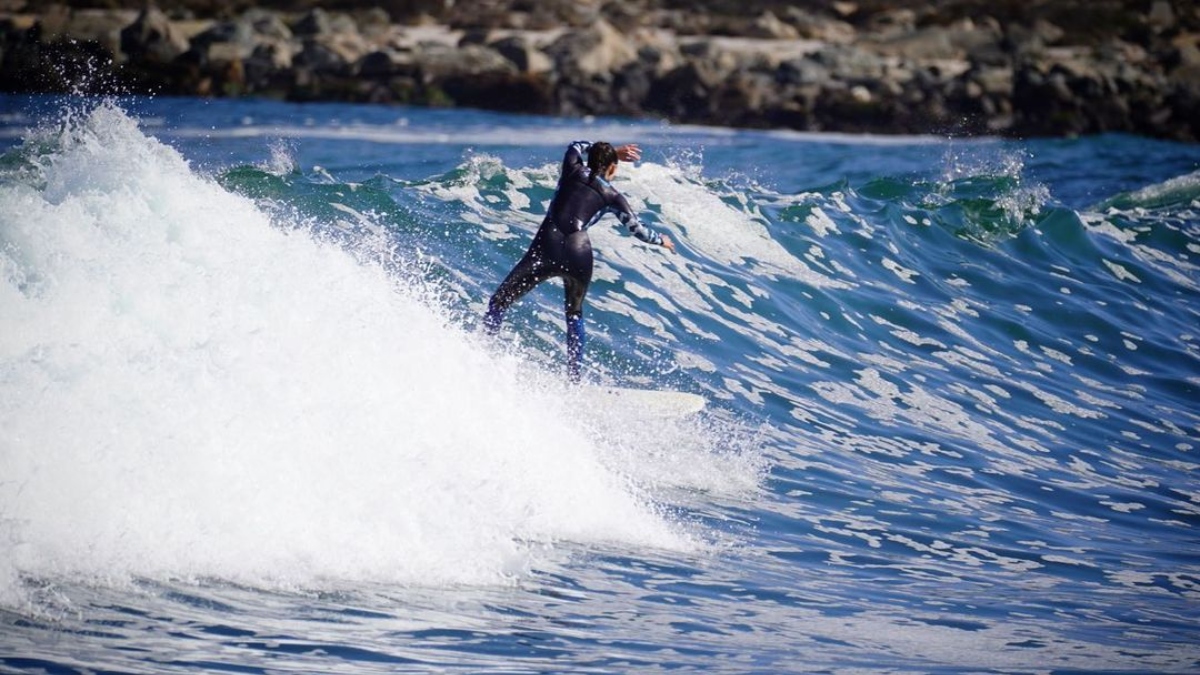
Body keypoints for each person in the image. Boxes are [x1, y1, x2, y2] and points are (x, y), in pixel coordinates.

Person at [483, 140, 676, 383]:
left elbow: (576, 145)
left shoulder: (572, 168)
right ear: (613, 169)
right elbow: (637, 229)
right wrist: (662, 241)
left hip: (546, 247)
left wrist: (611, 152)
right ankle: (573, 380)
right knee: (574, 314)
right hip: (579, 253)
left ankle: (484, 351)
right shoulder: (613, 195)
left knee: (499, 302)